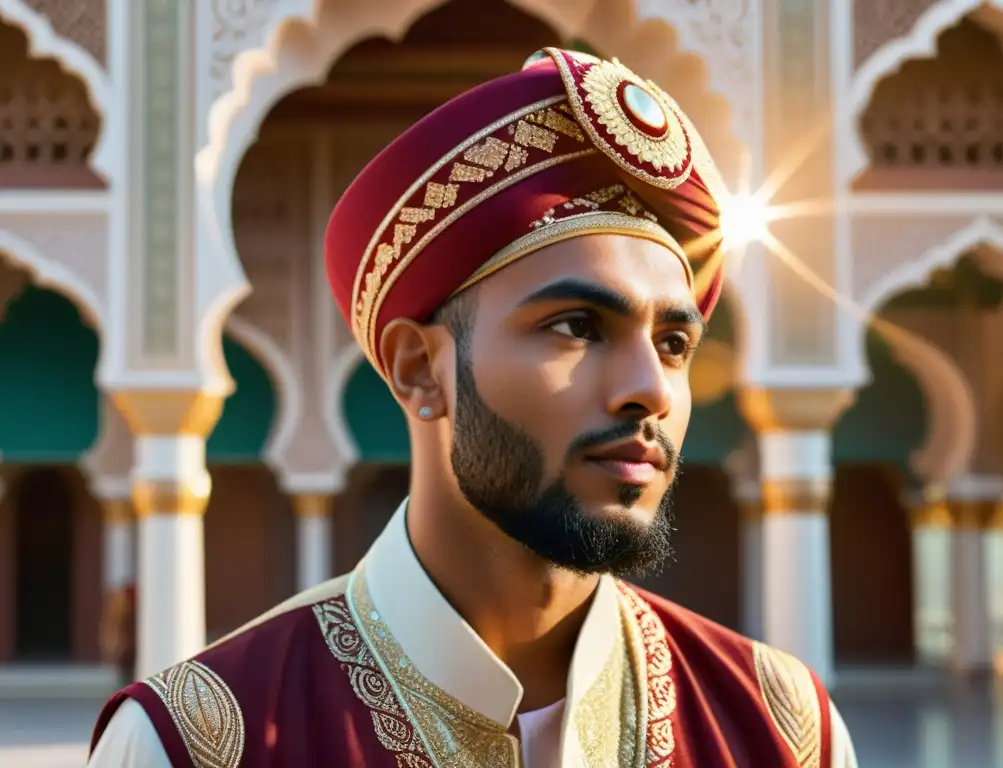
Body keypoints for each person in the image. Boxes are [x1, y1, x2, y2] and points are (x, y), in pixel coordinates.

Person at [88, 48, 858, 767]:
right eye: (577, 327)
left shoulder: (780, 729)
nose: (650, 389)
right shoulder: (198, 743)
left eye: (673, 343)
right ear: (419, 370)